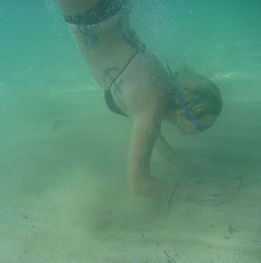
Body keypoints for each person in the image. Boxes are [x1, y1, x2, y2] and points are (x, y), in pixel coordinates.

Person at [55, 0, 222, 198]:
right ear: (183, 115)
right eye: (203, 127)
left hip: (109, 10)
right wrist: (193, 192)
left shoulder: (163, 90)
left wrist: (178, 161)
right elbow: (139, 186)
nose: (203, 132)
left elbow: (152, 133)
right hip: (88, 14)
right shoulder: (150, 107)